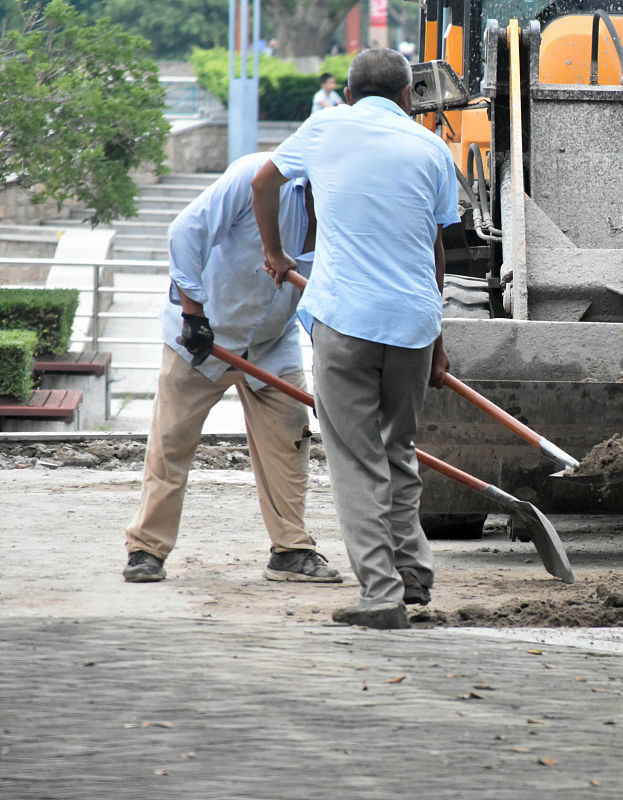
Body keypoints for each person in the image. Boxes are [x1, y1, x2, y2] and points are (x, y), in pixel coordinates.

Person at [252, 48, 456, 630]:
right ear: (409, 96)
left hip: (346, 321)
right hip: (414, 324)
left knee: (356, 459)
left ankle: (382, 594)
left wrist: (274, 252)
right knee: (399, 448)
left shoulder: (324, 128)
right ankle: (413, 572)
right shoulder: (431, 148)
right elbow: (435, 247)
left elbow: (264, 179)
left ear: (346, 94)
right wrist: (437, 337)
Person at [123, 152, 341, 586]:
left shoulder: (346, 213)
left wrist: (336, 376)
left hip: (272, 343)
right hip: (205, 337)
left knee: (290, 440)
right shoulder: (255, 178)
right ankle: (146, 549)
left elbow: (330, 304)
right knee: (171, 442)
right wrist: (193, 314)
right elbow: (185, 231)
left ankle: (291, 550)